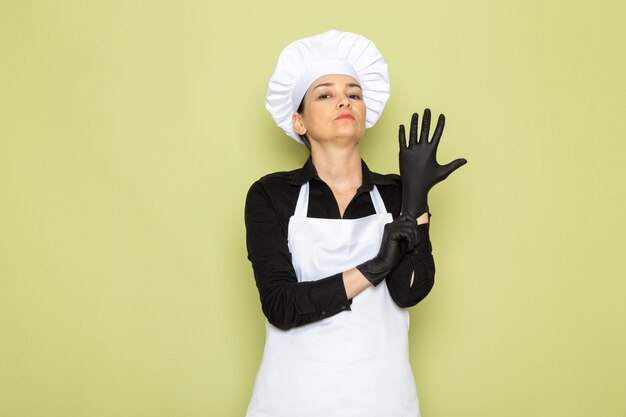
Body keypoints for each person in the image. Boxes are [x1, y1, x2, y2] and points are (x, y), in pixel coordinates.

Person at [244, 30, 467, 417]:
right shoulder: (271, 195)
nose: (344, 100)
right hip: (291, 400)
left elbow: (409, 292)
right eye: (325, 94)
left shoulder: (395, 194)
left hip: (383, 399)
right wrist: (370, 269)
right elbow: (281, 305)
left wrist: (415, 200)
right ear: (299, 121)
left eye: (354, 93)